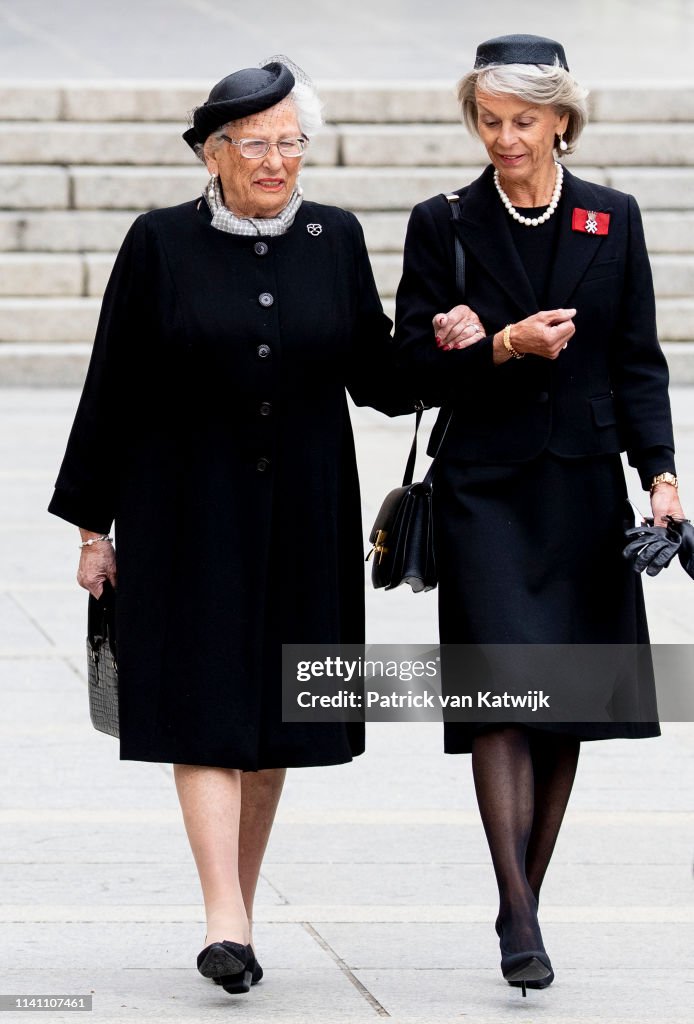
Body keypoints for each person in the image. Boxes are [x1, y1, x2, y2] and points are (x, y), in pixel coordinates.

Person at [48, 56, 468, 997]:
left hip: (307, 514)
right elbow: (110, 385)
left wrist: (440, 346)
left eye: (292, 143)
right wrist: (91, 527)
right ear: (212, 153)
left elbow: (377, 377)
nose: (277, 162)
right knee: (203, 705)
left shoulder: (336, 235)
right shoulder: (157, 243)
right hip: (185, 510)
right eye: (256, 144)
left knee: (281, 716)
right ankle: (225, 914)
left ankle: (235, 903)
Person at [394, 34, 684, 995]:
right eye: (489, 120)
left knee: (561, 705)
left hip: (583, 490)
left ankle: (525, 900)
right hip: (482, 487)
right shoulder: (445, 222)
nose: (504, 138)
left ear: (562, 118)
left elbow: (639, 359)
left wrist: (663, 477)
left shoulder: (613, 215)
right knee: (500, 696)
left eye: (523, 120)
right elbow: (403, 378)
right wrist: (495, 348)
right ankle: (517, 912)